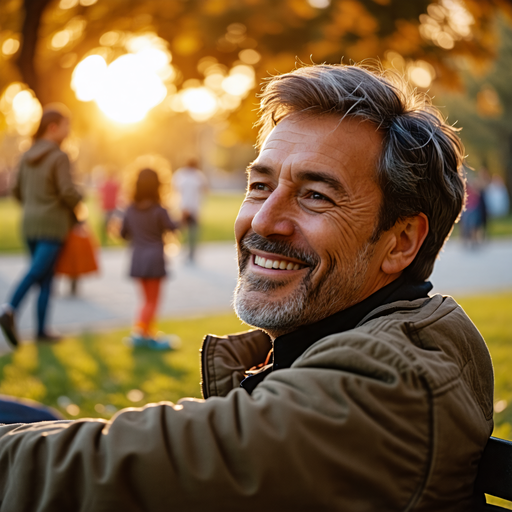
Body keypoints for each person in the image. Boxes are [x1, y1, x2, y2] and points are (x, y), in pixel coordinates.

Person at [0, 64, 493, 511]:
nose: (263, 219)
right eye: (259, 186)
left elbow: (127, 469)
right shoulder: (359, 337)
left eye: (316, 196)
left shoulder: (390, 382)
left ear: (401, 241)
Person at [0, 105, 82, 347]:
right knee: (37, 272)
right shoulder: (59, 156)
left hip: (29, 225)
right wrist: (80, 199)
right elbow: (68, 192)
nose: (68, 132)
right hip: (53, 225)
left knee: (46, 278)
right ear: (53, 127)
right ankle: (9, 309)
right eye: (66, 126)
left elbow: (15, 192)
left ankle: (42, 331)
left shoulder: (25, 156)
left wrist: (35, 203)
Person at [121, 168, 180, 350]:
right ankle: (139, 334)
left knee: (145, 301)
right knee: (152, 301)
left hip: (137, 258)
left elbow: (124, 234)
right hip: (154, 258)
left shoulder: (129, 209)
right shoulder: (159, 210)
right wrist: (184, 218)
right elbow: (172, 227)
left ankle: (147, 334)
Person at [172, 157, 208, 263]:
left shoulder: (180, 174)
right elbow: (206, 189)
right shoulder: (198, 175)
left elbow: (174, 189)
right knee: (193, 232)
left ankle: (182, 251)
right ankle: (191, 254)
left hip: (182, 207)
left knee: (181, 231)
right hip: (195, 208)